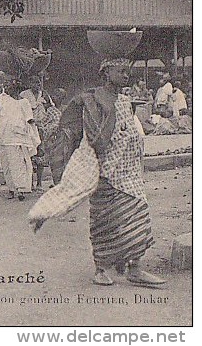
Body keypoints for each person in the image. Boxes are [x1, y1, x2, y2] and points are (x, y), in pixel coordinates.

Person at [30, 57, 166, 288]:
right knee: (106, 222)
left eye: (127, 71)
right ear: (106, 73)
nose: (126, 75)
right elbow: (97, 139)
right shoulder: (94, 100)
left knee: (138, 215)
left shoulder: (124, 101)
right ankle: (100, 268)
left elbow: (129, 130)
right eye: (120, 71)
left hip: (129, 173)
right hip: (105, 172)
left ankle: (135, 268)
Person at [0, 72, 39, 201]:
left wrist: (33, 133)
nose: (7, 88)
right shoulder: (3, 99)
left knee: (17, 163)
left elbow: (29, 119)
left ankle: (21, 190)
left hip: (16, 137)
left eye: (9, 85)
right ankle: (11, 188)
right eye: (5, 85)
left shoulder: (24, 102)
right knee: (6, 164)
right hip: (2, 136)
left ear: (16, 87)